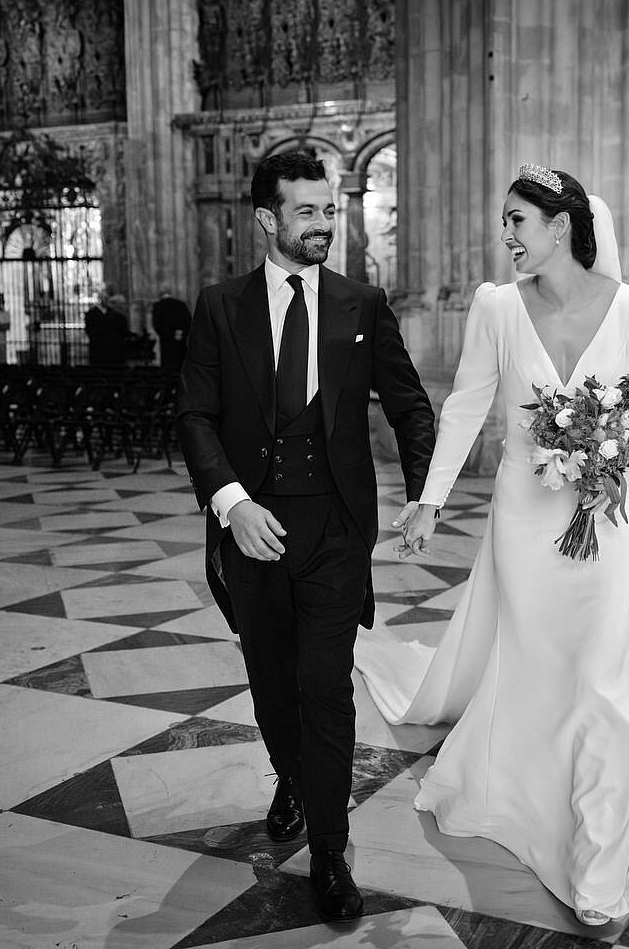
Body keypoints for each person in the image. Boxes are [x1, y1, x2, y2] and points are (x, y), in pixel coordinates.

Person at [358, 165, 629, 928]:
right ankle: (522, 799)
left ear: (560, 227)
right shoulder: (496, 308)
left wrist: (617, 457)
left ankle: (597, 863)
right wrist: (428, 500)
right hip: (526, 519)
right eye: (504, 223)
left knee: (602, 673)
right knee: (533, 666)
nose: (506, 237)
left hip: (607, 517)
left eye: (516, 222)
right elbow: (465, 406)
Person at [176, 149, 436, 922]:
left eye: (331, 210)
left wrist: (427, 489)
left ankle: (329, 850)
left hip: (334, 531)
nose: (326, 224)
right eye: (309, 212)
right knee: (273, 683)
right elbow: (194, 415)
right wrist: (231, 503)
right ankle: (289, 775)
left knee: (325, 686)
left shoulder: (362, 303)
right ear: (267, 219)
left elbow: (409, 403)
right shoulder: (221, 307)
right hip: (254, 530)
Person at [152, 290, 192, 375]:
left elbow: (156, 324)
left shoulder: (158, 305)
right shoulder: (181, 304)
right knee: (180, 362)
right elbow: (189, 321)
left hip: (166, 339)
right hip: (181, 338)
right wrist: (182, 334)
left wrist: (168, 334)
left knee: (167, 363)